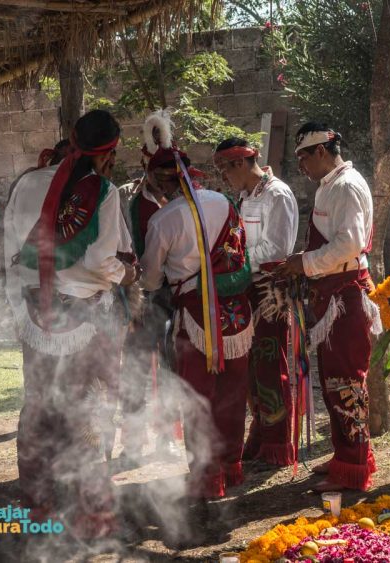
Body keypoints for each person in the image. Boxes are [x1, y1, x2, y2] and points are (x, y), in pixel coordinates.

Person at [4, 109, 137, 538]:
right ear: (110, 152)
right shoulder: (103, 191)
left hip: (34, 317)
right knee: (86, 412)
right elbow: (100, 263)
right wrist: (124, 274)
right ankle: (88, 514)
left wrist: (15, 309)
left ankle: (39, 506)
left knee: (39, 407)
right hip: (80, 321)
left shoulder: (26, 183)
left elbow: (9, 246)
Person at [139, 113, 253, 501]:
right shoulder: (223, 201)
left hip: (195, 315)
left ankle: (207, 478)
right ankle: (232, 466)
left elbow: (151, 279)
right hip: (237, 310)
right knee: (234, 390)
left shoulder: (162, 219)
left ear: (160, 182)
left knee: (198, 397)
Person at [275, 122, 378, 492]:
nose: (300, 165)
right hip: (333, 293)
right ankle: (347, 453)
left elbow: (349, 244)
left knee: (347, 382)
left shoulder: (346, 187)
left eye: (303, 156)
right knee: (335, 380)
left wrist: (304, 263)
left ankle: (353, 467)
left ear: (321, 152)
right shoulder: (331, 185)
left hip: (345, 294)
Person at [213, 137, 299, 468]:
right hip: (247, 288)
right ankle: (261, 433)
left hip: (269, 292)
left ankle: (278, 443)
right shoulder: (245, 195)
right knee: (249, 368)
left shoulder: (277, 193)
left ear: (239, 164)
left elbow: (277, 249)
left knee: (268, 364)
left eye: (224, 169)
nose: (223, 177)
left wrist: (235, 262)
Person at [116, 119, 180, 466]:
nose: (167, 182)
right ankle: (133, 443)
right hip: (140, 297)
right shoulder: (128, 200)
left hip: (172, 297)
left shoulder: (183, 203)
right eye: (161, 175)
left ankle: (168, 438)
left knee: (171, 367)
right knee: (136, 369)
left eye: (172, 176)